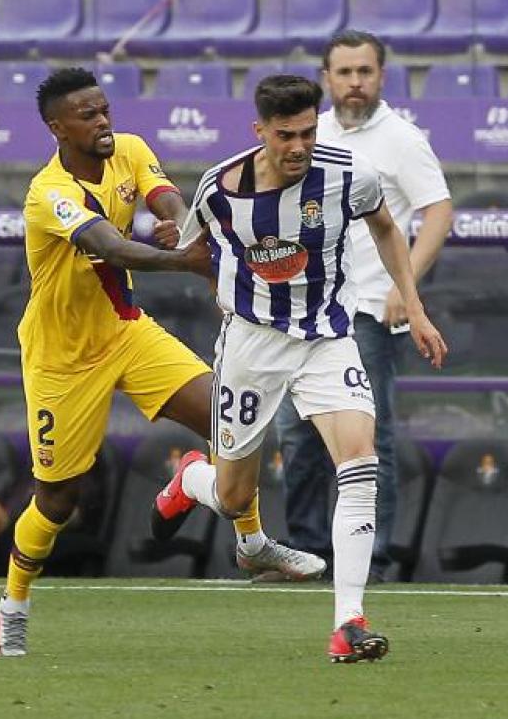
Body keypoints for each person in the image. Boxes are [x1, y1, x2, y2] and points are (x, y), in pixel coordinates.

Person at [0, 68, 323, 658]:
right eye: (88, 116)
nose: (103, 122)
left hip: (128, 334)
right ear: (57, 128)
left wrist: (182, 224)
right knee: (57, 500)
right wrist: (188, 261)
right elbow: (110, 246)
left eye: (104, 110)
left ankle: (250, 544)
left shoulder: (131, 150)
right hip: (61, 358)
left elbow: (165, 195)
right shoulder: (50, 195)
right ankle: (12, 605)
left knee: (232, 423)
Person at [156, 75, 447, 663]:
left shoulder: (347, 174)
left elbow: (387, 228)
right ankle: (193, 479)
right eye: (285, 134)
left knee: (360, 460)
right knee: (236, 497)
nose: (298, 146)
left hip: (327, 339)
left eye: (308, 131)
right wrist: (176, 246)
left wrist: (414, 308)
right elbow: (191, 249)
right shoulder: (221, 187)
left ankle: (349, 622)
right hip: (251, 346)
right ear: (259, 131)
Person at [268, 31, 454, 583]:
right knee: (295, 432)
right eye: (344, 72)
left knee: (369, 438)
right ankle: (302, 552)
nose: (354, 83)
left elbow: (438, 211)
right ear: (327, 78)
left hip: (370, 309)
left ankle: (373, 557)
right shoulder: (309, 133)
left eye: (364, 72)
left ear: (381, 76)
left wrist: (407, 286)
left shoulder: (402, 139)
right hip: (305, 308)